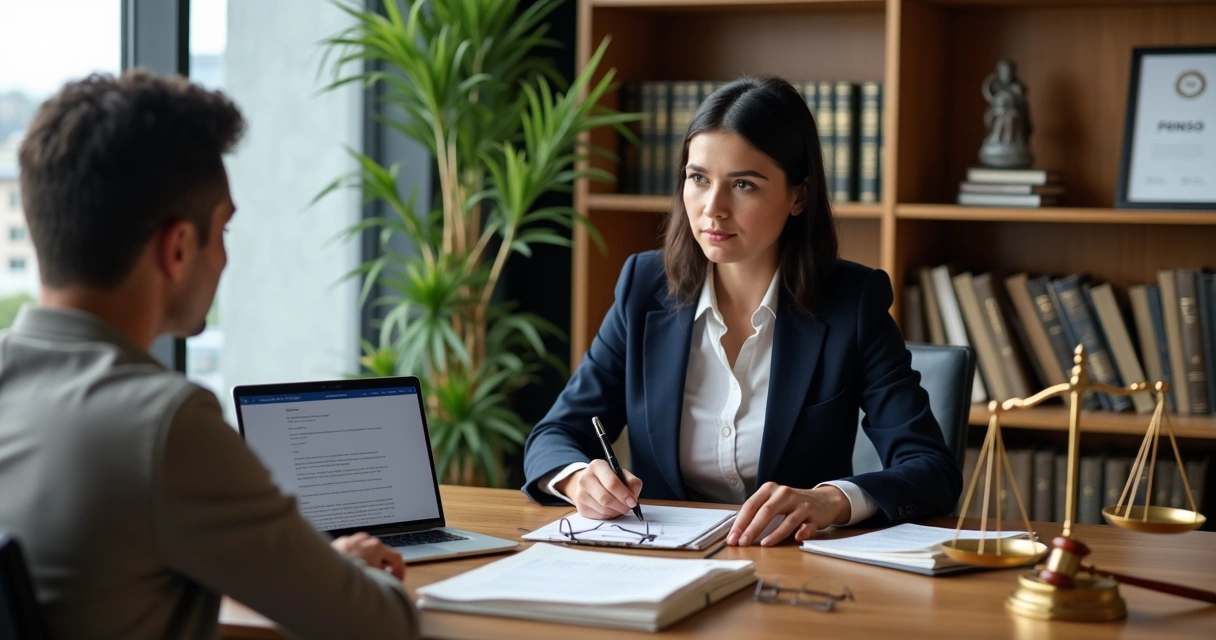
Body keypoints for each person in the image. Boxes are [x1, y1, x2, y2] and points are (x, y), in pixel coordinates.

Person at [0, 71, 417, 639]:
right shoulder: (163, 426)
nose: (223, 258)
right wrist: (357, 578)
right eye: (223, 230)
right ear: (177, 248)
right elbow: (380, 625)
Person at [522, 76, 961, 548]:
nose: (713, 209)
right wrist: (574, 478)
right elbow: (555, 434)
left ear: (799, 196)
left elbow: (931, 468)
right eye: (698, 179)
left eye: (744, 185)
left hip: (794, 569)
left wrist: (832, 499)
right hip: (660, 564)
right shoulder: (643, 288)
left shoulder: (851, 302)